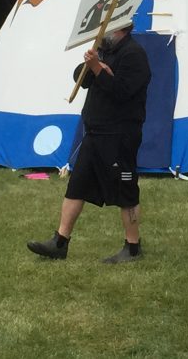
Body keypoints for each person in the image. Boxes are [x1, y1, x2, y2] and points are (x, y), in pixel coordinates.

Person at [27, 21, 151, 263]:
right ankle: (60, 242)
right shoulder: (103, 51)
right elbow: (81, 80)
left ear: (120, 28)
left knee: (125, 189)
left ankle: (133, 247)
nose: (101, 33)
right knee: (77, 186)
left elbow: (122, 92)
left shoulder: (134, 55)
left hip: (120, 136)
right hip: (95, 133)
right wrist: (91, 65)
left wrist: (99, 69)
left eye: (107, 28)